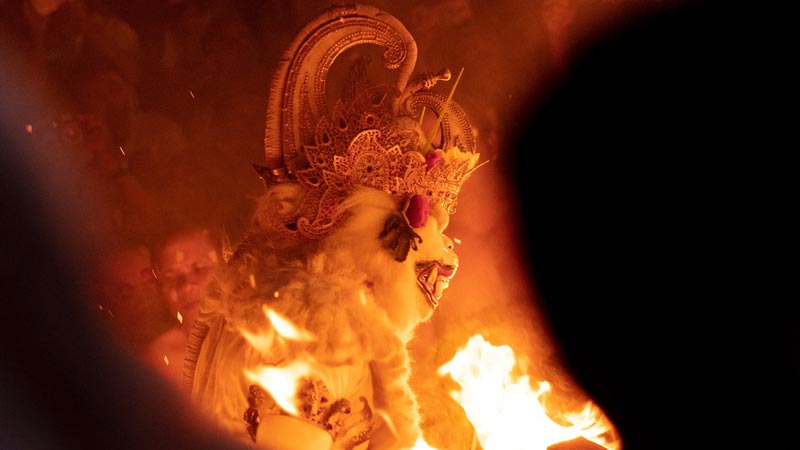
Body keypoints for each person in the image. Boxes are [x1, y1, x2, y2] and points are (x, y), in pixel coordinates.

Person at [186, 5, 482, 449]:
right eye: (432, 238)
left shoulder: (308, 313)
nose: (447, 259)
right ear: (387, 238)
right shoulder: (315, 338)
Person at [144, 226, 220, 388]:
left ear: (225, 270)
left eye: (199, 269)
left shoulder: (261, 342)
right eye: (170, 277)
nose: (186, 286)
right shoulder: (158, 364)